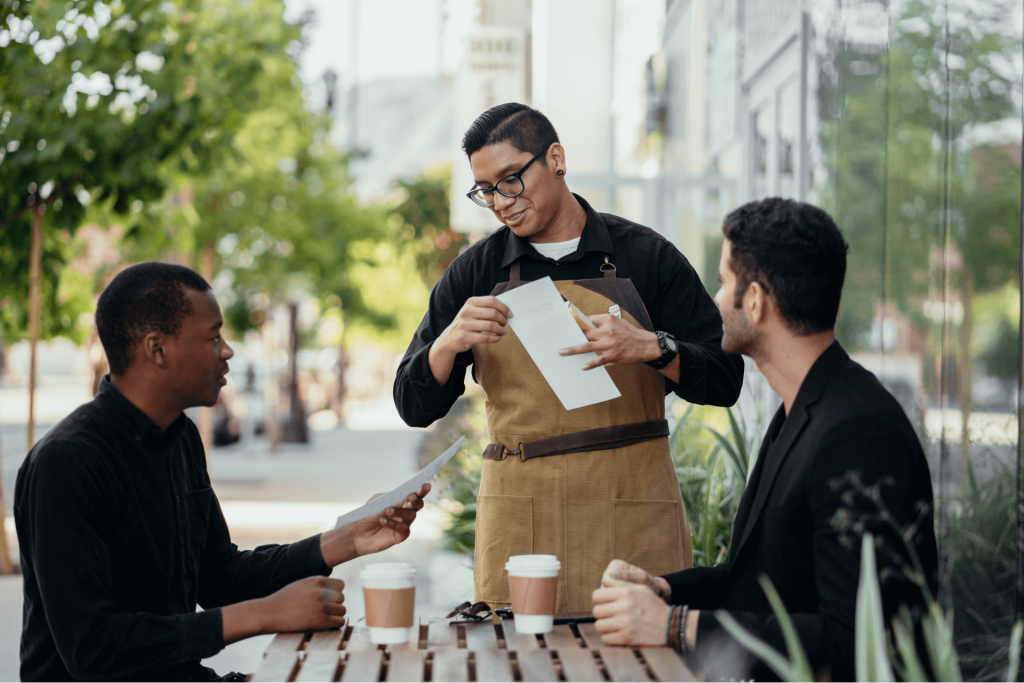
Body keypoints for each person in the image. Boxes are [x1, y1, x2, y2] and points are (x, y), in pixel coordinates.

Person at [394, 102, 744, 614]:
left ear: (555, 158)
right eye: (486, 190)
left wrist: (652, 347)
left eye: (510, 180)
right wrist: (447, 343)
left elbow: (725, 381)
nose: (500, 202)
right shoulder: (474, 272)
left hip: (633, 512)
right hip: (520, 520)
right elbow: (412, 404)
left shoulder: (648, 257)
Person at [15, 263, 430, 683]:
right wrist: (264, 614)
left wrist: (346, 539)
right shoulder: (67, 461)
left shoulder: (180, 438)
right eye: (213, 337)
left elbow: (219, 577)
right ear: (157, 349)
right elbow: (92, 648)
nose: (227, 351)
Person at [590, 198, 939, 681]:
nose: (716, 299)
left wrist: (675, 626)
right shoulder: (803, 408)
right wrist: (664, 590)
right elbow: (761, 584)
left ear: (754, 300)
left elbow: (858, 640)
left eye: (724, 282)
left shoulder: (857, 433)